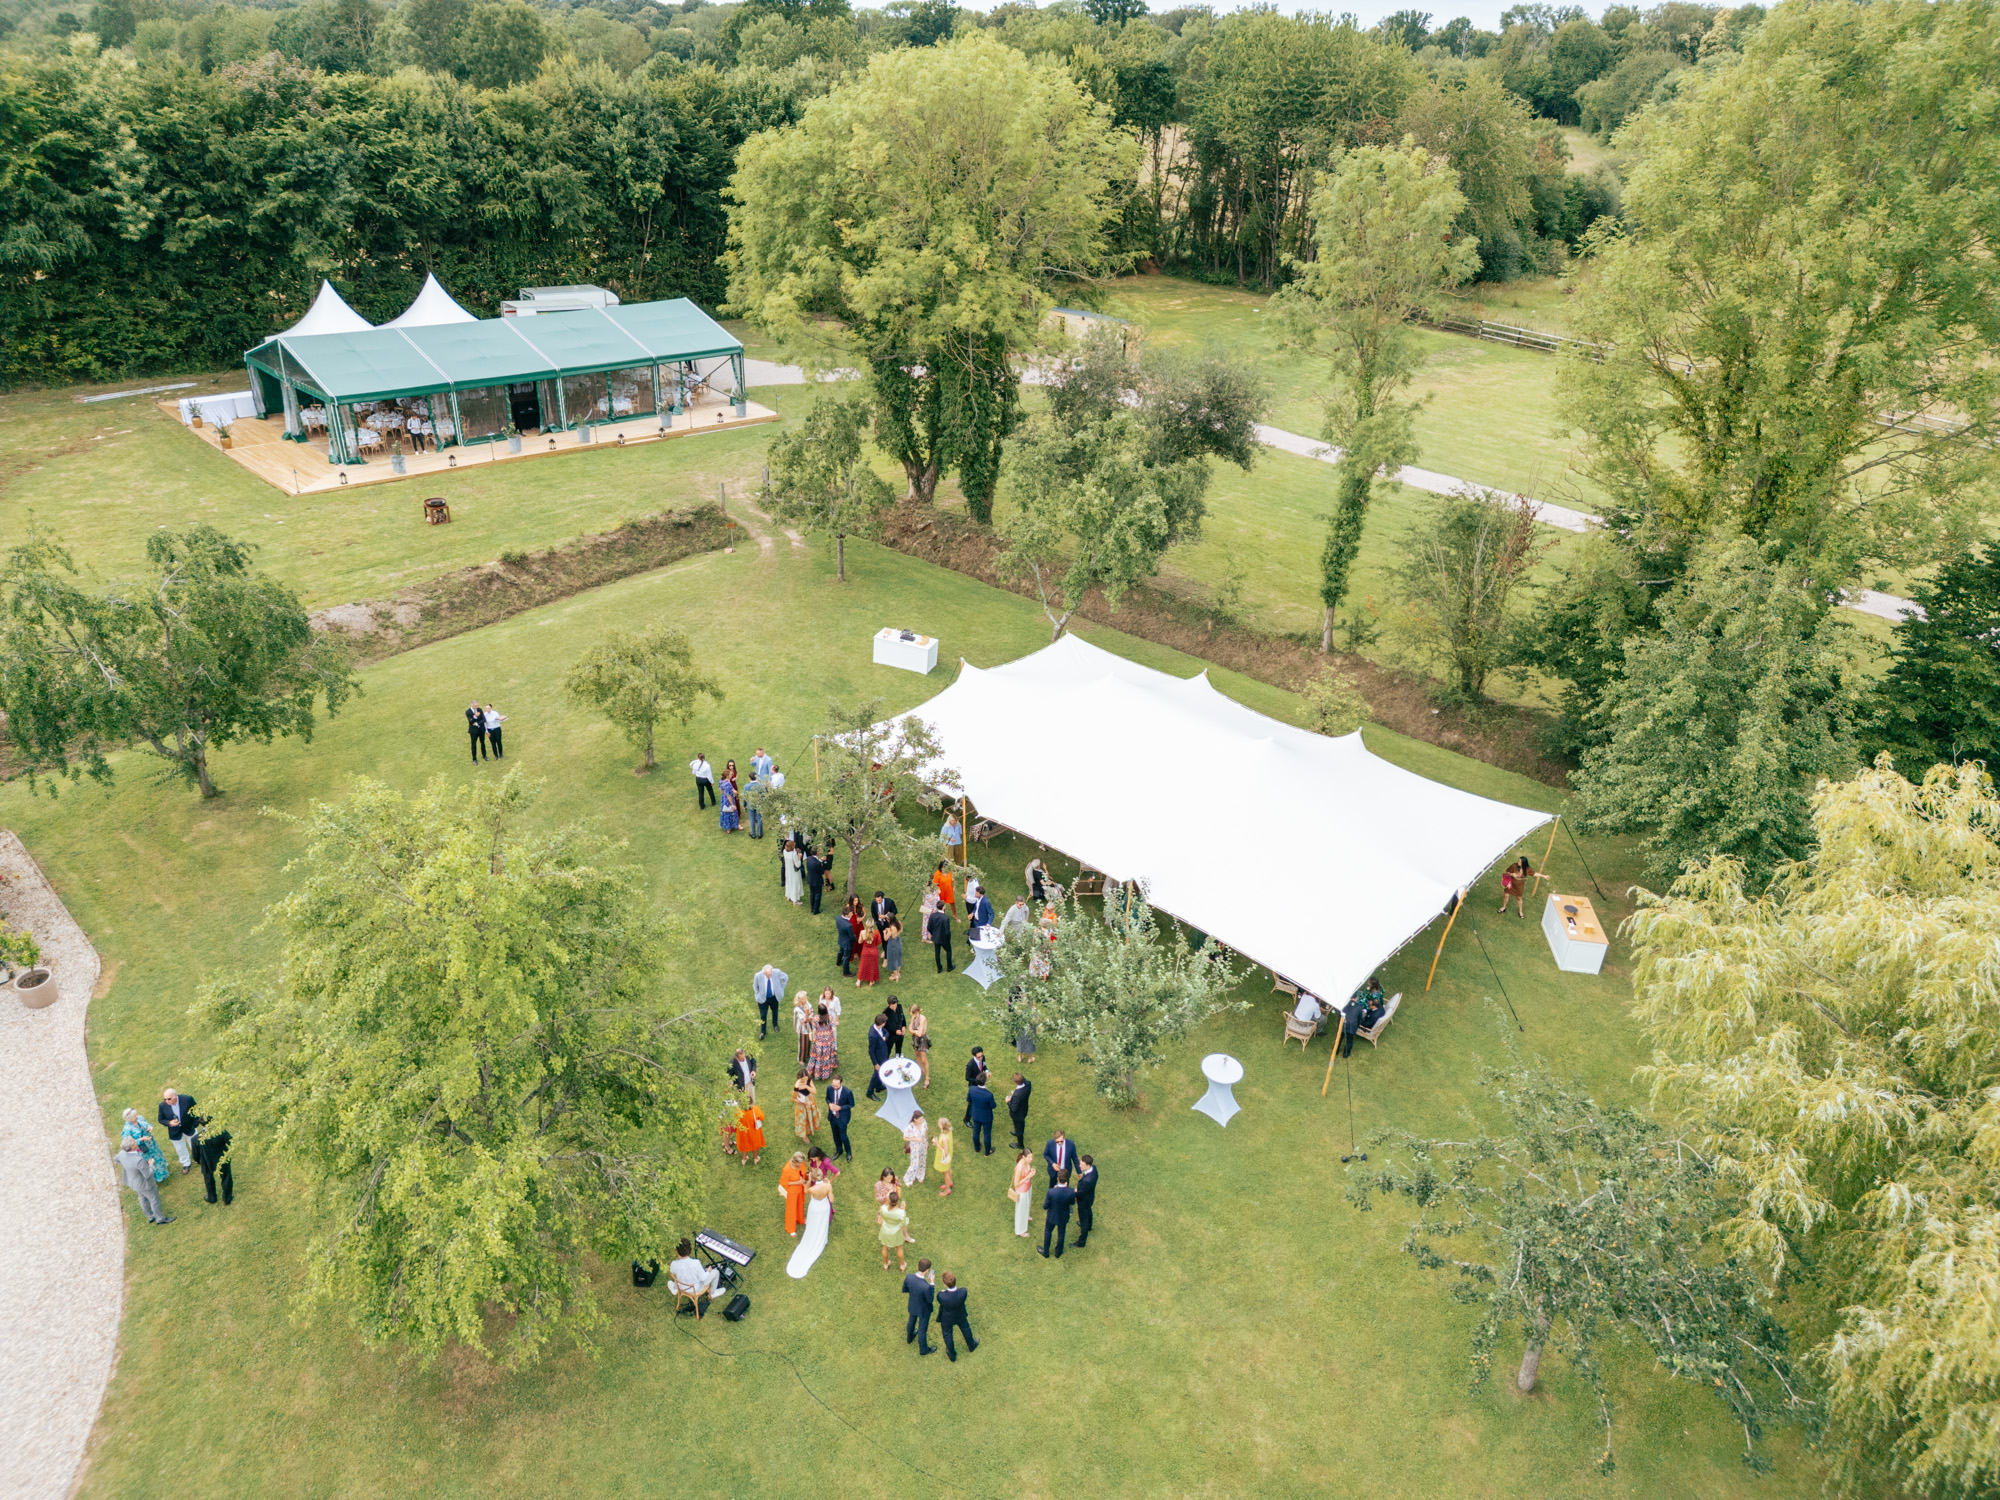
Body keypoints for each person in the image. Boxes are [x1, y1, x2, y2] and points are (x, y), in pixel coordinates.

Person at [786, 1166, 833, 1279]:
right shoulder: (828, 1185)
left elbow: (806, 1191)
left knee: (813, 1223)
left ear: (813, 1177)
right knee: (822, 1223)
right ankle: (821, 1238)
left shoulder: (813, 1188)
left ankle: (812, 1236)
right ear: (822, 1176)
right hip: (824, 1207)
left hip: (815, 1207)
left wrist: (808, 1181)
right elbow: (831, 1199)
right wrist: (829, 1186)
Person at [114, 1140, 173, 1225]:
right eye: (134, 1142)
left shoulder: (122, 1153)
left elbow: (116, 1160)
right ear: (132, 1147)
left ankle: (150, 1216)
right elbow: (148, 1174)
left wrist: (128, 1167)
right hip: (145, 1184)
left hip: (133, 1182)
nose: (136, 1142)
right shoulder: (139, 1160)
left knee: (142, 1198)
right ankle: (160, 1219)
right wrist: (151, 1164)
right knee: (154, 1200)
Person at [936, 1271, 977, 1360]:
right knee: (966, 1329)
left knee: (947, 1335)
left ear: (945, 1284)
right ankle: (972, 1346)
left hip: (946, 1318)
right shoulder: (963, 1292)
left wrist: (944, 1291)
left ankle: (952, 1355)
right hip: (960, 1315)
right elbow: (960, 1291)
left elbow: (940, 1298)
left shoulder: (941, 1295)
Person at [121, 1108, 169, 1183]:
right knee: (150, 1161)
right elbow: (128, 1144)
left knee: (157, 1155)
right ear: (129, 1119)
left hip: (151, 1143)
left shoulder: (140, 1118)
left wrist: (150, 1127)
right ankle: (156, 1177)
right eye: (134, 1116)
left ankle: (162, 1170)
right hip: (142, 1149)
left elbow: (148, 1124)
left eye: (136, 1114)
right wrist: (141, 1140)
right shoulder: (127, 1129)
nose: (137, 1116)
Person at [158, 1086, 198, 1174]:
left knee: (195, 1144)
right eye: (165, 1099)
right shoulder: (162, 1106)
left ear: (175, 1096)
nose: (166, 1101)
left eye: (169, 1099)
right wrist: (169, 1123)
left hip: (189, 1128)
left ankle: (199, 1158)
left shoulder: (187, 1099)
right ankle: (186, 1163)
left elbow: (196, 1111)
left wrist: (195, 1124)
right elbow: (160, 1119)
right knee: (180, 1149)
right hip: (175, 1132)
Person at [670, 1238, 722, 1302]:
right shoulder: (696, 1263)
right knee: (716, 1272)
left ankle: (675, 1288)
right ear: (689, 1250)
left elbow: (673, 1274)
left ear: (677, 1251)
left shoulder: (673, 1264)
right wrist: (708, 1271)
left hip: (681, 1287)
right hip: (696, 1289)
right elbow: (703, 1278)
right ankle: (712, 1293)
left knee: (671, 1281)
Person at [903, 1257, 937, 1354]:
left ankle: (909, 1338)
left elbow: (905, 1289)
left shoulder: (909, 1277)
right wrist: (932, 1283)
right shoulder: (926, 1287)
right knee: (922, 1329)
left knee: (911, 1321)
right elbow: (930, 1300)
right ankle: (923, 1350)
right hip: (924, 1310)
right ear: (927, 1271)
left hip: (913, 1305)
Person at [1041, 1169, 1077, 1258]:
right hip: (1063, 1216)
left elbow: (1045, 1206)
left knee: (1048, 1232)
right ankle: (1058, 1252)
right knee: (1061, 1233)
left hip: (1052, 1216)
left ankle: (1046, 1252)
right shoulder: (1071, 1191)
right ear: (1067, 1180)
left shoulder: (1051, 1191)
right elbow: (1072, 1203)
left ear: (1058, 1179)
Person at [752, 964, 788, 1040]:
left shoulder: (776, 972)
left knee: (775, 1011)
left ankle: (775, 1025)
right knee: (763, 1015)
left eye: (770, 974)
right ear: (764, 973)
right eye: (767, 975)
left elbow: (785, 977)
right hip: (762, 998)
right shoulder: (758, 976)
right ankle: (763, 1031)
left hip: (774, 997)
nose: (769, 976)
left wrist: (781, 989)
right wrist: (757, 995)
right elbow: (755, 986)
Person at [878, 1190, 911, 1272]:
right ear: (897, 1201)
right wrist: (904, 1210)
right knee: (899, 1248)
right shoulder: (901, 1213)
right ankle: (902, 1265)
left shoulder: (883, 1209)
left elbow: (883, 1210)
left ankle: (885, 1264)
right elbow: (904, 1223)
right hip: (896, 1232)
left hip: (885, 1230)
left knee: (885, 1247)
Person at [825, 1073, 855, 1160]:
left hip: (842, 1118)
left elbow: (851, 1104)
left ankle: (848, 1152)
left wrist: (840, 1108)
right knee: (835, 1135)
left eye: (836, 1086)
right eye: (833, 1085)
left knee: (843, 1136)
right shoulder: (829, 1088)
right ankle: (839, 1150)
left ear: (841, 1083)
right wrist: (829, 1104)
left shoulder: (847, 1092)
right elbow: (827, 1098)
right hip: (833, 1117)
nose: (834, 1087)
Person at [780, 1152, 810, 1235]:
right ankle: (791, 1229)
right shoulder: (787, 1169)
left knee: (801, 1204)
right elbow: (784, 1183)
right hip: (792, 1190)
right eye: (799, 1163)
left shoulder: (802, 1163)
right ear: (794, 1161)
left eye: (802, 1162)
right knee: (791, 1208)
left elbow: (803, 1173)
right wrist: (798, 1182)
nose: (801, 1164)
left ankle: (801, 1219)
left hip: (800, 1188)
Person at [808, 1004, 839, 1082]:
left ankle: (816, 1072)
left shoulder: (815, 1018)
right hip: (828, 1041)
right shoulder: (830, 1017)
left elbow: (814, 1030)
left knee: (817, 1057)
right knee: (827, 1057)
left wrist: (814, 1037)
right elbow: (834, 1029)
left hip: (819, 1041)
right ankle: (825, 1073)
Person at [966, 1074, 996, 1156]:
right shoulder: (989, 1095)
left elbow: (968, 1099)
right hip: (986, 1117)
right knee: (987, 1134)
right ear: (985, 1081)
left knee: (976, 1131)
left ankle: (977, 1148)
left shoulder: (972, 1089)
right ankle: (987, 1152)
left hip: (975, 1114)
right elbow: (993, 1106)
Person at [1009, 1150, 1035, 1238]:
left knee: (1027, 1204)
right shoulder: (1019, 1167)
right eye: (1029, 1157)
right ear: (1024, 1157)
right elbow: (1016, 1183)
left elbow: (1026, 1174)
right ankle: (1020, 1231)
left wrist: (1031, 1171)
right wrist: (1029, 1176)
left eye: (1032, 1157)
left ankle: (1026, 1216)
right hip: (1021, 1190)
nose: (1031, 1159)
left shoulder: (1026, 1162)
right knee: (1020, 1209)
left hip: (1028, 1186)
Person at [792, 1070, 821, 1145]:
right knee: (803, 1120)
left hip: (810, 1101)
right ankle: (804, 1136)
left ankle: (810, 1129)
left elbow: (814, 1092)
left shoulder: (809, 1081)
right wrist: (804, 1103)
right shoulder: (797, 1086)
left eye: (806, 1079)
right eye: (803, 1079)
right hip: (802, 1105)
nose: (805, 1080)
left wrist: (806, 1086)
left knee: (810, 1117)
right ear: (799, 1078)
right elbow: (793, 1098)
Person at [865, 1014, 890, 1099]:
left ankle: (878, 1086)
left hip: (883, 1054)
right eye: (885, 1022)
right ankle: (870, 1092)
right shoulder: (873, 1036)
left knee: (881, 1072)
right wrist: (875, 1064)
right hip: (878, 1057)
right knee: (876, 1074)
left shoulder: (878, 1028)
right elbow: (871, 1051)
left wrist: (884, 1038)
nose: (885, 1023)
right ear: (881, 1023)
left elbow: (887, 1033)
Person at [902, 1108, 929, 1186]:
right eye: (920, 1119)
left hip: (923, 1145)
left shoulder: (924, 1123)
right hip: (915, 1147)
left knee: (923, 1160)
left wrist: (927, 1141)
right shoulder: (910, 1127)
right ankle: (908, 1178)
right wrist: (915, 1138)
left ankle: (920, 1175)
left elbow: (926, 1131)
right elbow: (905, 1137)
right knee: (915, 1163)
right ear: (915, 1119)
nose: (922, 1120)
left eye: (922, 1118)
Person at [1005, 1074, 1032, 1151]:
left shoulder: (1017, 1095)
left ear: (1015, 1082)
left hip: (1018, 1115)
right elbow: (1026, 1081)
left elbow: (1013, 1108)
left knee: (1018, 1128)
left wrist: (1008, 1101)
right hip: (1024, 1109)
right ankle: (1018, 1131)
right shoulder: (1028, 1085)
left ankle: (1020, 1144)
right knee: (1021, 1123)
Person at [735, 1101, 766, 1166]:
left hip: (742, 1133)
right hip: (754, 1131)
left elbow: (735, 1122)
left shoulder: (738, 1111)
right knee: (755, 1145)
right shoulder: (755, 1109)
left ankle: (744, 1159)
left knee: (743, 1145)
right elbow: (762, 1117)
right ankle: (755, 1158)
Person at [928, 902, 955, 974]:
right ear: (943, 907)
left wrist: (933, 934)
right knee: (948, 951)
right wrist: (948, 939)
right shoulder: (945, 918)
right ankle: (949, 966)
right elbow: (947, 931)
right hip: (944, 939)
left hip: (936, 938)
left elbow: (929, 927)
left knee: (937, 952)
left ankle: (939, 968)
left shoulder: (932, 916)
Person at [908, 1004, 930, 1086]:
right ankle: (920, 1070)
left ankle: (927, 1079)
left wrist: (913, 1031)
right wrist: (914, 1031)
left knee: (924, 1059)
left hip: (922, 1040)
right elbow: (910, 1029)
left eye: (912, 1013)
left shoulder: (922, 1018)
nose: (911, 1015)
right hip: (915, 1039)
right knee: (917, 1054)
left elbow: (920, 1033)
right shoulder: (913, 1017)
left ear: (915, 1012)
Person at [934, 1116, 955, 1197]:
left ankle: (947, 1190)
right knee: (948, 1168)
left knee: (945, 1172)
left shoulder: (944, 1138)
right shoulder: (948, 1131)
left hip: (944, 1157)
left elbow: (945, 1152)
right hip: (950, 1155)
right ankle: (950, 1182)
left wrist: (937, 1144)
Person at [856, 921, 882, 986]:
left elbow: (859, 942)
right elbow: (879, 942)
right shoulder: (876, 932)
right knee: (873, 966)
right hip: (874, 951)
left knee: (862, 965)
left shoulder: (862, 932)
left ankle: (858, 981)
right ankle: (871, 981)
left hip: (865, 951)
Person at [793, 990, 815, 1066]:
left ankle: (807, 1055)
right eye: (804, 998)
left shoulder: (807, 1003)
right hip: (802, 1028)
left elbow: (812, 1012)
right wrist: (807, 1014)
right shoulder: (797, 1009)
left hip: (808, 1027)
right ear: (800, 1000)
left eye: (806, 997)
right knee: (802, 1043)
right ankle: (800, 1059)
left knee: (808, 1041)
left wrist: (808, 1014)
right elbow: (803, 1020)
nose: (806, 999)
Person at [803, 844, 826, 916]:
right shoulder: (817, 863)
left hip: (810, 879)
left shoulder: (809, 859)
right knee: (817, 895)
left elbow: (815, 863)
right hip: (817, 881)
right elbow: (822, 872)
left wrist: (820, 860)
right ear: (817, 853)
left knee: (812, 893)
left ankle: (812, 907)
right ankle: (816, 910)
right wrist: (822, 862)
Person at [882, 914, 904, 983]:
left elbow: (885, 938)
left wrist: (884, 932)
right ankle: (898, 972)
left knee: (892, 958)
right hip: (898, 940)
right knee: (898, 957)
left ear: (889, 919)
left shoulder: (891, 928)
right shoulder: (899, 923)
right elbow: (901, 931)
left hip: (892, 943)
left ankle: (896, 975)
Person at [783, 838, 804, 906]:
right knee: (795, 885)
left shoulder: (785, 851)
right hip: (794, 872)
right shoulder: (793, 854)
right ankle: (795, 900)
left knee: (789, 883)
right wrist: (799, 857)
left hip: (788, 870)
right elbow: (798, 864)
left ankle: (789, 896)